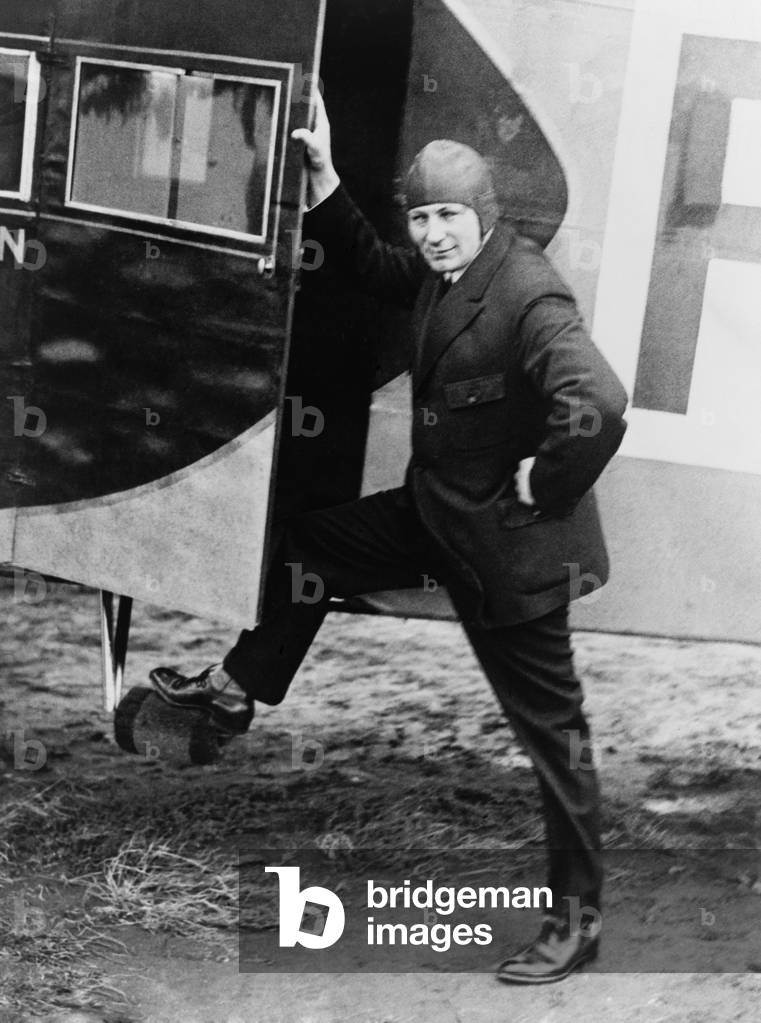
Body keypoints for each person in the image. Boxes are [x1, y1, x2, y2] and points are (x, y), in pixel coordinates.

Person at [150, 92, 628, 983]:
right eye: (423, 217)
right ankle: (238, 688)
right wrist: (326, 175)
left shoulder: (527, 292)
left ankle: (577, 921)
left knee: (553, 742)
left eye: (450, 216)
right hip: (435, 516)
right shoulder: (442, 273)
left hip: (511, 553)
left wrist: (545, 476)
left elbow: (597, 403)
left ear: (484, 216)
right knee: (306, 545)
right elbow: (371, 267)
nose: (435, 233)